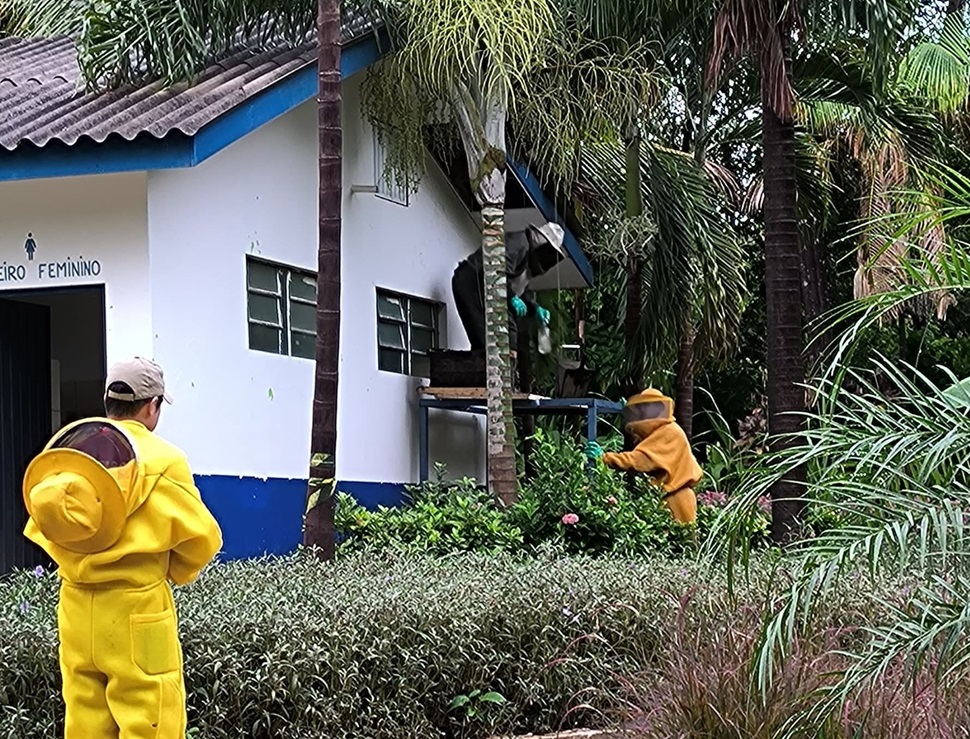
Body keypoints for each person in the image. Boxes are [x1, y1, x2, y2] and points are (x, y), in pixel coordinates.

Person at [21, 356, 223, 739]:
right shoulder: (164, 459)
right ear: (152, 406)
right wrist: (173, 572)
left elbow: (44, 527)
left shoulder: (73, 455)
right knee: (151, 719)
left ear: (109, 402)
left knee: (84, 720)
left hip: (76, 611)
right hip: (137, 612)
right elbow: (203, 539)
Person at [586, 388, 702, 524]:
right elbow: (641, 440)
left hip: (677, 498)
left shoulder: (669, 432)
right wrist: (627, 411)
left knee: (683, 541)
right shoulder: (661, 431)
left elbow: (640, 459)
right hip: (667, 496)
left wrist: (605, 457)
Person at [451, 222, 566, 351]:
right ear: (542, 244)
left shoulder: (527, 259)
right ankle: (485, 368)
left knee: (506, 335)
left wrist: (535, 308)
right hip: (472, 282)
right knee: (486, 341)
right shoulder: (518, 243)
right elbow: (494, 271)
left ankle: (502, 368)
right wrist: (512, 297)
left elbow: (519, 291)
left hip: (488, 290)